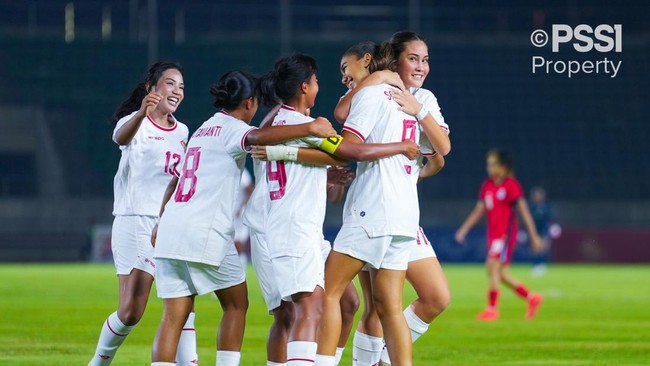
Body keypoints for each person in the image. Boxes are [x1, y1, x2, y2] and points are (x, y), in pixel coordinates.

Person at [149, 70, 337, 366]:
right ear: (249, 103)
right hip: (204, 231)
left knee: (173, 316)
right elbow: (259, 136)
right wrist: (310, 127)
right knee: (236, 305)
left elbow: (176, 180)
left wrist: (160, 220)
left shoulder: (202, 130)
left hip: (172, 228)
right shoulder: (233, 128)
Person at [257, 54, 419, 366]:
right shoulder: (307, 127)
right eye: (316, 81)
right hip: (291, 228)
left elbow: (322, 168)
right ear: (304, 86)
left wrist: (327, 176)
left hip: (299, 229)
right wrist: (400, 146)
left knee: (347, 302)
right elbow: (350, 151)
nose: (321, 85)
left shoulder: (278, 123)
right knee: (310, 308)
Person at [333, 35, 452, 366]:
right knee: (378, 304)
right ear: (395, 60)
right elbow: (342, 110)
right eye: (413, 59)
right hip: (377, 206)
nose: (421, 66)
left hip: (400, 212)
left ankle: (383, 360)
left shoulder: (423, 97)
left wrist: (419, 111)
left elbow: (441, 149)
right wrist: (378, 78)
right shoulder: (376, 89)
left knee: (436, 297)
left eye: (424, 60)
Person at [88, 61, 198, 366]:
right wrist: (140, 113)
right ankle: (99, 361)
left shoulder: (183, 131)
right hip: (134, 221)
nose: (177, 91)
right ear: (152, 88)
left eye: (181, 86)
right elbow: (120, 138)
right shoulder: (135, 122)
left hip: (167, 223)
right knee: (131, 311)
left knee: (183, 299)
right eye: (170, 84)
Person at [455, 149, 545, 321]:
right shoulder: (487, 185)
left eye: (492, 164)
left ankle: (492, 309)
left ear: (502, 167)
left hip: (506, 235)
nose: (489, 168)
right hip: (493, 235)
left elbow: (524, 211)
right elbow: (479, 210)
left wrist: (533, 235)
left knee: (492, 266)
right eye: (488, 164)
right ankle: (532, 297)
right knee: (499, 273)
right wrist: (464, 229)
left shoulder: (510, 185)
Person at [529, 187, 559, 277]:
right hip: (535, 231)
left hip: (544, 231)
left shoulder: (546, 207)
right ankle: (535, 265)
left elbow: (552, 218)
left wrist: (554, 226)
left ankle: (542, 265)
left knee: (544, 248)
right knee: (535, 249)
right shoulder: (532, 207)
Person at [233, 168, 254, 266]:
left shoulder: (243, 172)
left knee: (238, 243)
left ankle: (242, 270)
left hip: (239, 214)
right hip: (229, 213)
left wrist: (241, 208)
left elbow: (250, 190)